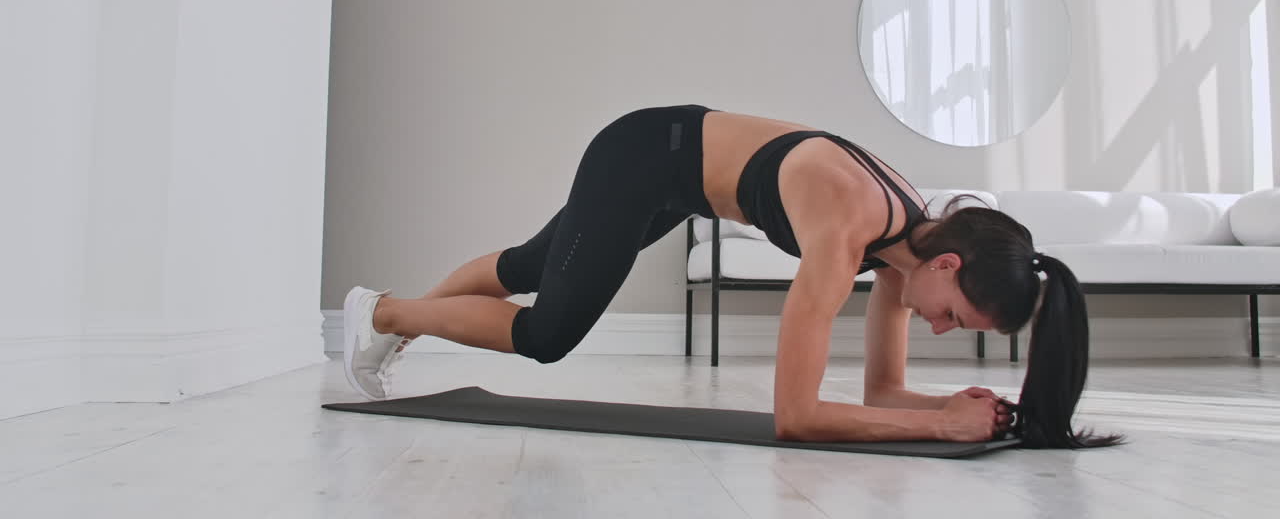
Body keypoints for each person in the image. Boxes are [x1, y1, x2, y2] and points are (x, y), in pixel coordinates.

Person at [342, 104, 1123, 448]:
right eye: (955, 315)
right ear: (948, 264)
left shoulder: (903, 257)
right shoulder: (850, 226)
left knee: (527, 268)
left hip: (674, 175)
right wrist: (938, 424)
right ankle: (381, 316)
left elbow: (881, 396)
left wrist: (954, 409)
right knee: (547, 332)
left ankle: (385, 328)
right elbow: (797, 415)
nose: (939, 327)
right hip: (645, 155)